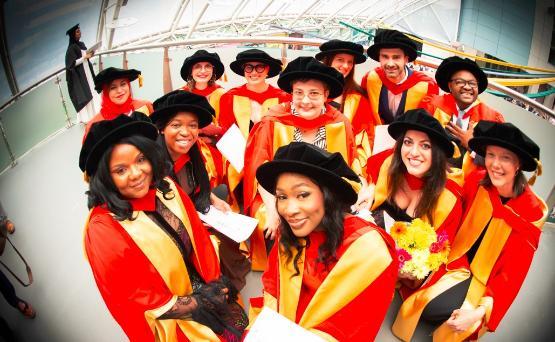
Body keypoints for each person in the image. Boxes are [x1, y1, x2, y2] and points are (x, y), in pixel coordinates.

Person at [80, 114, 246, 341]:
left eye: (140, 160)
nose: (137, 174)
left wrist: (214, 284)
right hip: (172, 318)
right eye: (120, 170)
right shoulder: (103, 227)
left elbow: (199, 239)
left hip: (202, 287)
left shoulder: (165, 187)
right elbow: (136, 296)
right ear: (105, 178)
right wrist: (200, 302)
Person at [397, 121, 546, 341]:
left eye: (505, 157)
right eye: (491, 155)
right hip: (456, 259)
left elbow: (512, 275)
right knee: (425, 304)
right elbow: (451, 211)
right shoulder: (477, 181)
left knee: (451, 318)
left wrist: (479, 312)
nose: (495, 164)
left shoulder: (530, 212)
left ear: (518, 165)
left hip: (485, 281)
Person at [249, 142, 398, 340]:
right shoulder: (292, 232)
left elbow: (353, 329)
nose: (289, 209)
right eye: (282, 197)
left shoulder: (369, 250)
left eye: (303, 194)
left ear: (328, 196)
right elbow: (272, 285)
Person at [243, 56, 358, 270]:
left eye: (314, 93)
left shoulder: (339, 124)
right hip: (278, 196)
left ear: (325, 95)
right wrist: (273, 209)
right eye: (299, 93)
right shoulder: (273, 122)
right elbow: (260, 170)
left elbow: (346, 171)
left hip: (324, 197)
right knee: (270, 222)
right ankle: (281, 276)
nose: (305, 100)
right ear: (291, 93)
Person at [355, 109, 463, 309]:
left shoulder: (449, 198)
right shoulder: (390, 164)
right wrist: (367, 186)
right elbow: (363, 172)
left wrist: (408, 268)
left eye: (425, 145)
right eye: (408, 142)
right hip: (361, 255)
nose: (413, 152)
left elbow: (436, 254)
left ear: (438, 153)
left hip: (392, 277)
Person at [151, 90, 250, 291]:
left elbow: (196, 186)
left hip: (196, 216)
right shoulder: (152, 167)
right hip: (169, 232)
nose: (186, 132)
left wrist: (213, 199)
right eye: (176, 125)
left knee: (228, 233)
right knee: (214, 243)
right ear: (162, 129)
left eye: (192, 126)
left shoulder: (193, 154)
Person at [218, 49, 290, 212]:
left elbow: (285, 134)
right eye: (249, 67)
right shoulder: (230, 97)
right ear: (243, 70)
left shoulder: (283, 98)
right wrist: (246, 161)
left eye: (260, 67)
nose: (254, 72)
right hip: (239, 158)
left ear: (268, 70)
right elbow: (227, 133)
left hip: (272, 157)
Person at [420, 56, 504, 169]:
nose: (467, 87)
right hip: (430, 173)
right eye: (460, 82)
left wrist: (472, 146)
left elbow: (497, 164)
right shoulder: (432, 105)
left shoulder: (491, 119)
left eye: (473, 83)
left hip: (468, 183)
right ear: (450, 86)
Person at [316, 39, 379, 170]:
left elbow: (365, 139)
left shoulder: (358, 99)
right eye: (340, 60)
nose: (346, 66)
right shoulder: (310, 90)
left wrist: (355, 170)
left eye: (350, 62)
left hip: (343, 165)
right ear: (328, 61)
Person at [361, 29, 438, 124]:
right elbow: (364, 114)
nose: (390, 64)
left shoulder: (427, 86)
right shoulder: (370, 79)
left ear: (406, 59)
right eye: (385, 56)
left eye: (396, 57)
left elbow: (427, 123)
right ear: (379, 57)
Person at [83, 67, 153, 139]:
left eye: (123, 84)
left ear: (128, 85)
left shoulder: (145, 107)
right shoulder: (95, 125)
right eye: (113, 88)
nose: (119, 90)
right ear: (106, 93)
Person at [179, 50, 227, 145]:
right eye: (197, 67)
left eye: (208, 66)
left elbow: (230, 128)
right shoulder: (180, 96)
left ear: (213, 70)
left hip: (217, 148)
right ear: (191, 71)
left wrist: (214, 137)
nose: (203, 71)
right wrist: (201, 130)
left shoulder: (223, 95)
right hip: (187, 147)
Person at [65, 24, 100, 123]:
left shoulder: (81, 44)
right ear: (72, 35)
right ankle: (89, 118)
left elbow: (85, 57)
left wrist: (90, 55)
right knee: (87, 93)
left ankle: (97, 112)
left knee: (93, 89)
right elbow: (71, 64)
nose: (79, 32)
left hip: (87, 71)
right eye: (77, 31)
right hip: (81, 76)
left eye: (79, 30)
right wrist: (84, 57)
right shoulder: (71, 49)